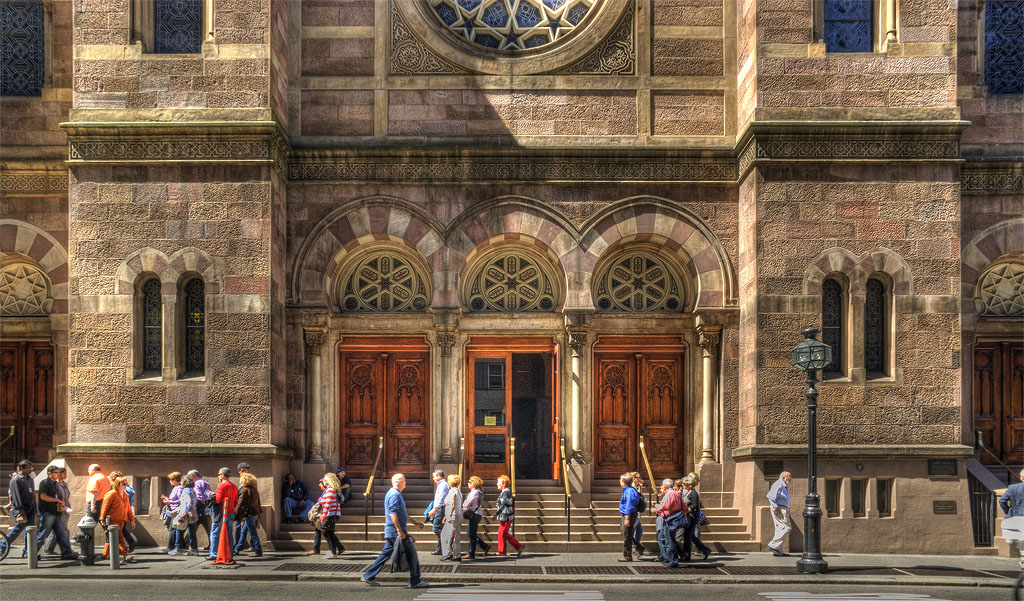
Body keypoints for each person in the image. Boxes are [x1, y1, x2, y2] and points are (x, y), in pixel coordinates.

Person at [360, 473, 428, 589]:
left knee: (385, 554)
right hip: (395, 532)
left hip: (393, 531)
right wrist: (399, 530)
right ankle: (415, 581)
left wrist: (415, 523)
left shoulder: (395, 494)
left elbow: (403, 514)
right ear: (400, 482)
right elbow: (393, 513)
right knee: (412, 555)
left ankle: (368, 575)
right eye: (405, 480)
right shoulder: (395, 495)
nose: (406, 483)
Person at [36, 465, 77, 560]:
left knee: (62, 534)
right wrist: (57, 500)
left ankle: (67, 553)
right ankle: (32, 553)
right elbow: (43, 496)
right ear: (49, 473)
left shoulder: (56, 484)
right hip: (47, 513)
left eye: (59, 472)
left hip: (57, 513)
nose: (58, 474)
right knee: (43, 534)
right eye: (56, 472)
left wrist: (62, 504)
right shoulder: (45, 483)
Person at [99, 477, 135, 562]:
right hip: (113, 520)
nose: (125, 485)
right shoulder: (111, 494)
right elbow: (104, 507)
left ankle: (105, 554)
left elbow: (128, 509)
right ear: (118, 485)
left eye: (126, 483)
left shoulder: (125, 495)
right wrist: (102, 519)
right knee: (119, 538)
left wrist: (132, 520)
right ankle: (124, 555)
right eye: (123, 484)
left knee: (111, 538)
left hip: (122, 520)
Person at [207, 467, 239, 561]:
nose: (218, 476)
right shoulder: (234, 486)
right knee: (229, 533)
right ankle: (230, 554)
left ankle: (214, 553)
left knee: (215, 533)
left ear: (222, 475)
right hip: (230, 512)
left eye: (219, 474)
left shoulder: (221, 485)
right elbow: (236, 501)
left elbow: (217, 500)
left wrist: (211, 495)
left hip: (221, 513)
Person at [7, 460, 37, 558]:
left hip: (31, 507)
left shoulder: (30, 479)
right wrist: (20, 509)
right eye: (28, 467)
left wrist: (34, 507)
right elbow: (15, 496)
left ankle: (28, 552)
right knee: (18, 528)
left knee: (30, 530)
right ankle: (3, 545)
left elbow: (32, 493)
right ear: (22, 468)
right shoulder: (15, 480)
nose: (30, 469)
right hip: (22, 508)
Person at [653, 478, 684, 568]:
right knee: (664, 538)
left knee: (669, 541)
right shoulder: (675, 493)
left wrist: (656, 509)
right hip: (672, 518)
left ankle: (673, 561)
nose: (660, 489)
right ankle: (667, 557)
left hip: (670, 519)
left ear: (665, 487)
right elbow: (683, 505)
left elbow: (666, 506)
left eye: (662, 487)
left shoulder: (670, 494)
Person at [680, 476, 711, 561]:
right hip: (689, 516)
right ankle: (705, 550)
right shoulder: (688, 492)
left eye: (685, 483)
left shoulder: (693, 493)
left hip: (693, 517)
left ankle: (687, 556)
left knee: (687, 536)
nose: (683, 484)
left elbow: (694, 505)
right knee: (690, 536)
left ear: (690, 485)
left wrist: (687, 510)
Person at [43, 467, 72, 555]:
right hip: (58, 510)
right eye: (63, 473)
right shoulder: (55, 485)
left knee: (58, 529)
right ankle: (67, 551)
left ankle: (48, 547)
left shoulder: (65, 484)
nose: (65, 475)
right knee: (64, 530)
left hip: (65, 508)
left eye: (65, 473)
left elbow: (66, 496)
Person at [316, 473, 346, 559]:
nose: (323, 481)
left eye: (324, 480)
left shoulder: (330, 490)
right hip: (331, 514)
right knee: (328, 533)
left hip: (330, 514)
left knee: (326, 532)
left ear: (328, 481)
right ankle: (333, 551)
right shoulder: (330, 490)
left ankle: (332, 552)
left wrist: (323, 515)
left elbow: (327, 503)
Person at [999, 468, 1024, 568]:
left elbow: (1002, 501)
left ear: (1021, 477)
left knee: (1022, 542)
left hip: (1017, 518)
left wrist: (1009, 512)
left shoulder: (1013, 488)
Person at [234, 472, 264, 557]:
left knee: (253, 533)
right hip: (255, 513)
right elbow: (258, 502)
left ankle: (258, 550)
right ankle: (238, 547)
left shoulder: (245, 490)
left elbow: (240, 504)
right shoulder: (254, 489)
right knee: (243, 532)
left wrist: (237, 515)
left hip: (250, 514)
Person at [170, 475, 200, 556]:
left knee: (179, 530)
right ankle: (194, 549)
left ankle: (179, 549)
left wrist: (180, 513)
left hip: (186, 513)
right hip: (193, 513)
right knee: (192, 532)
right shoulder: (192, 490)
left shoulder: (186, 491)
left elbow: (186, 503)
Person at [461, 475, 489, 559]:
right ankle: (472, 552)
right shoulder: (478, 492)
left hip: (474, 514)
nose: (468, 483)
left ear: (474, 483)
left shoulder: (475, 492)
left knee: (471, 534)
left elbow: (466, 504)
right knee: (472, 534)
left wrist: (463, 506)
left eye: (469, 482)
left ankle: (480, 548)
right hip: (476, 514)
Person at [495, 474, 523, 556]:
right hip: (506, 515)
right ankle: (503, 550)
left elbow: (503, 504)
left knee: (502, 533)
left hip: (506, 516)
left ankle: (515, 547)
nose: (497, 484)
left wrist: (497, 514)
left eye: (498, 482)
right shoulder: (506, 492)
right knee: (502, 533)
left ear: (503, 483)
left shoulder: (506, 492)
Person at [617, 472, 643, 562]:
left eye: (620, 480)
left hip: (629, 514)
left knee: (627, 535)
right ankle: (639, 547)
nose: (619, 482)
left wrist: (627, 518)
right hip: (627, 514)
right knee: (627, 533)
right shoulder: (627, 489)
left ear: (624, 482)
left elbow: (629, 505)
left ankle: (627, 555)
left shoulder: (629, 491)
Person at [109, 470, 136, 552]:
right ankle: (129, 544)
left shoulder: (120, 487)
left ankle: (123, 549)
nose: (112, 479)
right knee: (122, 529)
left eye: (113, 478)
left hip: (120, 512)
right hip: (126, 511)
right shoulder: (127, 486)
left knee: (120, 530)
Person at [767, 471, 792, 557]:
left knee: (780, 528)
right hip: (780, 508)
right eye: (789, 477)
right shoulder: (779, 484)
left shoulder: (783, 486)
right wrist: (775, 507)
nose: (790, 479)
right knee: (787, 527)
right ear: (783, 477)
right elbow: (770, 496)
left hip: (783, 508)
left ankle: (778, 551)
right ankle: (773, 544)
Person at [160, 471, 184, 553]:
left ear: (175, 480)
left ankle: (173, 547)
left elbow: (180, 500)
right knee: (173, 529)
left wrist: (169, 502)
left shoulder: (179, 488)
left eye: (171, 479)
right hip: (173, 510)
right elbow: (174, 500)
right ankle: (174, 546)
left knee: (173, 529)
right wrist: (167, 499)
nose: (169, 481)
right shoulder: (175, 488)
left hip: (176, 511)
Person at [441, 474, 463, 561]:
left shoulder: (452, 492)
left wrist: (449, 516)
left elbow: (452, 504)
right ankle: (457, 554)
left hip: (453, 516)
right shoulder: (458, 491)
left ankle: (447, 554)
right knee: (456, 536)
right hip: (459, 515)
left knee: (444, 535)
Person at [188, 469, 212, 548]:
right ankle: (212, 545)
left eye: (189, 476)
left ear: (194, 476)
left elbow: (198, 496)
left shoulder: (195, 484)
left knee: (192, 528)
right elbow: (208, 493)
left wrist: (202, 502)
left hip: (198, 508)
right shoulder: (205, 482)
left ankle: (185, 545)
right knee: (209, 529)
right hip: (206, 508)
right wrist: (206, 503)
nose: (188, 478)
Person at [427, 469, 449, 555]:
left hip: (440, 509)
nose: (433, 479)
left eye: (434, 477)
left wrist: (434, 509)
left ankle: (444, 546)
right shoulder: (441, 485)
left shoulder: (443, 485)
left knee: (437, 528)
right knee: (439, 528)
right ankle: (441, 548)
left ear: (438, 476)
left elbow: (441, 499)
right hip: (439, 508)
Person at [306, 478, 327, 556]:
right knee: (318, 532)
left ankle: (337, 547)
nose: (319, 485)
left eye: (320, 483)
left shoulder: (327, 492)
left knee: (326, 533)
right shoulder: (325, 492)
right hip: (320, 515)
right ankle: (316, 549)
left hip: (323, 516)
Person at [233, 462, 252, 549]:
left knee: (248, 527)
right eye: (242, 471)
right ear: (238, 471)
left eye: (245, 470)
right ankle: (239, 544)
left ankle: (240, 545)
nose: (244, 472)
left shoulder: (250, 481)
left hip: (246, 508)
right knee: (240, 526)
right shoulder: (241, 481)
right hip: (241, 508)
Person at [630, 472, 646, 556]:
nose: (640, 479)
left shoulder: (635, 487)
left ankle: (635, 547)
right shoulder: (632, 487)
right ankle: (634, 547)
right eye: (638, 477)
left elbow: (639, 496)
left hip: (636, 512)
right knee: (632, 531)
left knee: (639, 530)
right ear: (634, 479)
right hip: (634, 512)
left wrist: (640, 486)